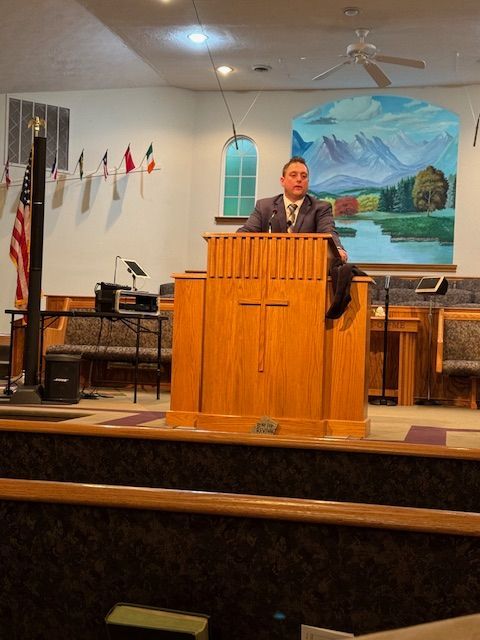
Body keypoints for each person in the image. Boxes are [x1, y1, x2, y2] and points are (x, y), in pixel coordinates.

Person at [237, 156, 348, 262]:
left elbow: (328, 233)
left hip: (306, 271)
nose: (299, 179)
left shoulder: (320, 208)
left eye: (304, 176)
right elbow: (246, 233)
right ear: (282, 180)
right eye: (293, 175)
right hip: (269, 270)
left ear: (308, 182)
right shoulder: (264, 207)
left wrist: (337, 249)